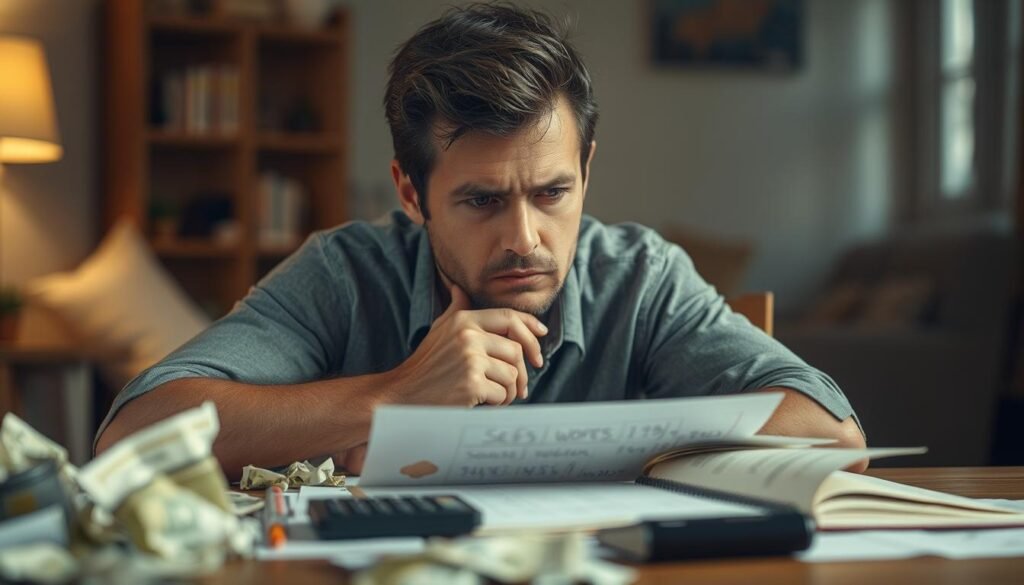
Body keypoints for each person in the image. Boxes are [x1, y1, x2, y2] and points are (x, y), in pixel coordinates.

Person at [95, 3, 865, 477]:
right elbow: (133, 434)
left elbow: (832, 435)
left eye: (552, 193)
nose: (525, 238)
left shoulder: (641, 277)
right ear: (410, 192)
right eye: (482, 200)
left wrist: (600, 449)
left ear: (586, 170)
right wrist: (394, 396)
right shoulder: (343, 272)